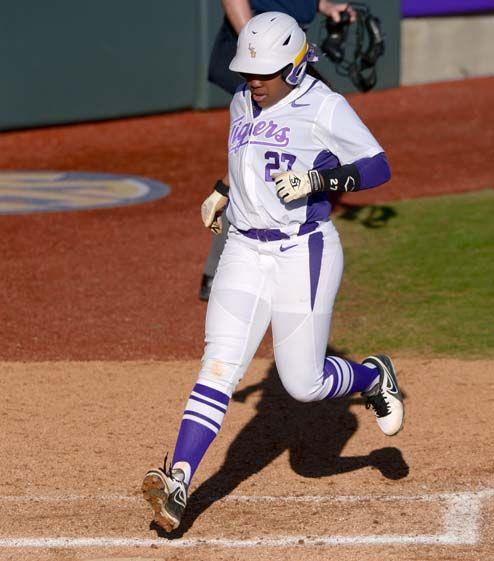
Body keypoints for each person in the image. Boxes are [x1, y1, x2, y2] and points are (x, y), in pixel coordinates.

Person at [142, 12, 403, 533]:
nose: (253, 82)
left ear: (295, 64)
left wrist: (318, 179)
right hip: (243, 250)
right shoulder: (243, 99)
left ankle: (373, 375)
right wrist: (222, 189)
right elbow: (249, 157)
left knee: (303, 384)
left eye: (265, 73)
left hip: (302, 252)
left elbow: (378, 165)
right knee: (218, 367)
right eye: (248, 72)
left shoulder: (324, 105)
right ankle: (179, 481)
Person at [200, 0, 357, 301]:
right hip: (257, 57)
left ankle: (239, 264)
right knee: (269, 149)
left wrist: (325, 6)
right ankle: (225, 270)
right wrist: (257, 52)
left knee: (297, 142)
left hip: (282, 58)